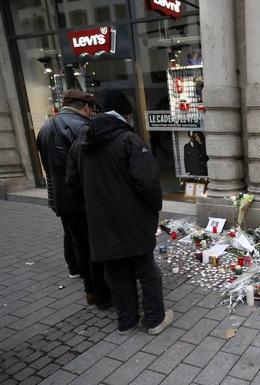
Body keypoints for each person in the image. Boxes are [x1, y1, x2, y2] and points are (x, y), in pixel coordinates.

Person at [67, 89, 173, 335]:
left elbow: (72, 182)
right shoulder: (129, 140)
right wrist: (154, 207)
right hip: (132, 220)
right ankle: (155, 320)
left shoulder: (81, 142)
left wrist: (91, 208)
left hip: (100, 222)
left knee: (116, 273)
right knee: (146, 270)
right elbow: (148, 181)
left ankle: (126, 322)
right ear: (126, 114)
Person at [36, 89, 111, 308]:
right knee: (92, 246)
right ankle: (97, 292)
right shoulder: (82, 128)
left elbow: (48, 168)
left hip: (60, 198)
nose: (92, 114)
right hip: (81, 199)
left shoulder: (45, 128)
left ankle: (81, 277)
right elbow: (90, 169)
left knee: (77, 240)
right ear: (86, 107)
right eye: (91, 110)